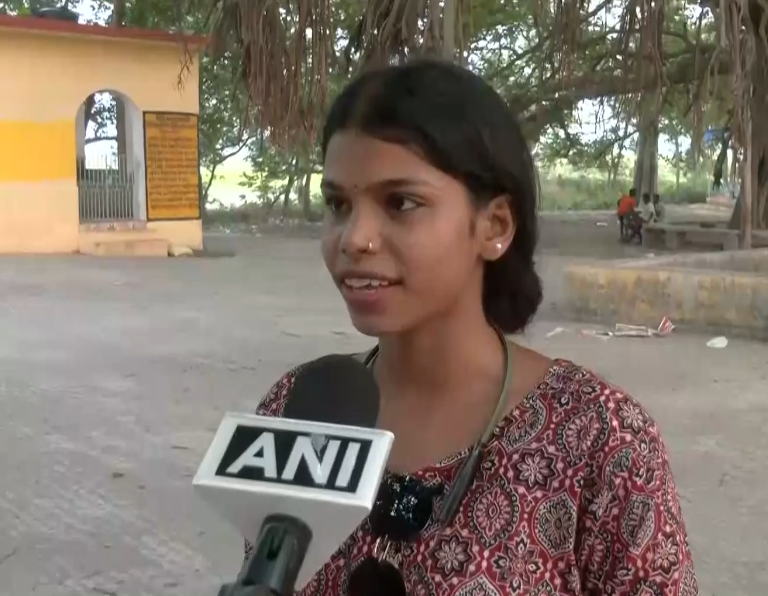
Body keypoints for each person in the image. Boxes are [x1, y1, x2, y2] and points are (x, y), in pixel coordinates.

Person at [243, 60, 698, 596]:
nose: (354, 238)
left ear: (494, 226)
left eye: (401, 203)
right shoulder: (297, 410)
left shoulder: (603, 441)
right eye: (338, 204)